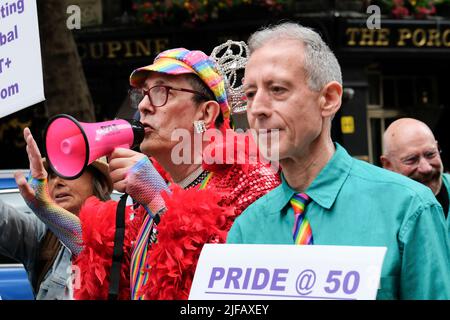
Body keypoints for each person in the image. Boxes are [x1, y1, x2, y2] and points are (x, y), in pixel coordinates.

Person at [17, 43, 280, 300]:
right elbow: (111, 267)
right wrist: (47, 209)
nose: (143, 106)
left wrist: (157, 198)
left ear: (205, 113)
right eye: (143, 93)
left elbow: (224, 285)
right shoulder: (151, 191)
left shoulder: (254, 182)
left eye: (161, 92)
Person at [226, 22, 450, 299]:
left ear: (329, 99)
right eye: (250, 94)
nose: (257, 108)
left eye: (278, 89)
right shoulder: (246, 229)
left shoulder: (408, 207)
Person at [3, 153, 112, 300]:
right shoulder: (43, 234)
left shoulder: (126, 234)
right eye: (52, 175)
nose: (57, 182)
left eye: (69, 171)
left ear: (101, 184)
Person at [380, 118, 449, 219]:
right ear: (387, 165)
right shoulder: (379, 211)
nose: (426, 168)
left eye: (430, 154)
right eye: (411, 159)